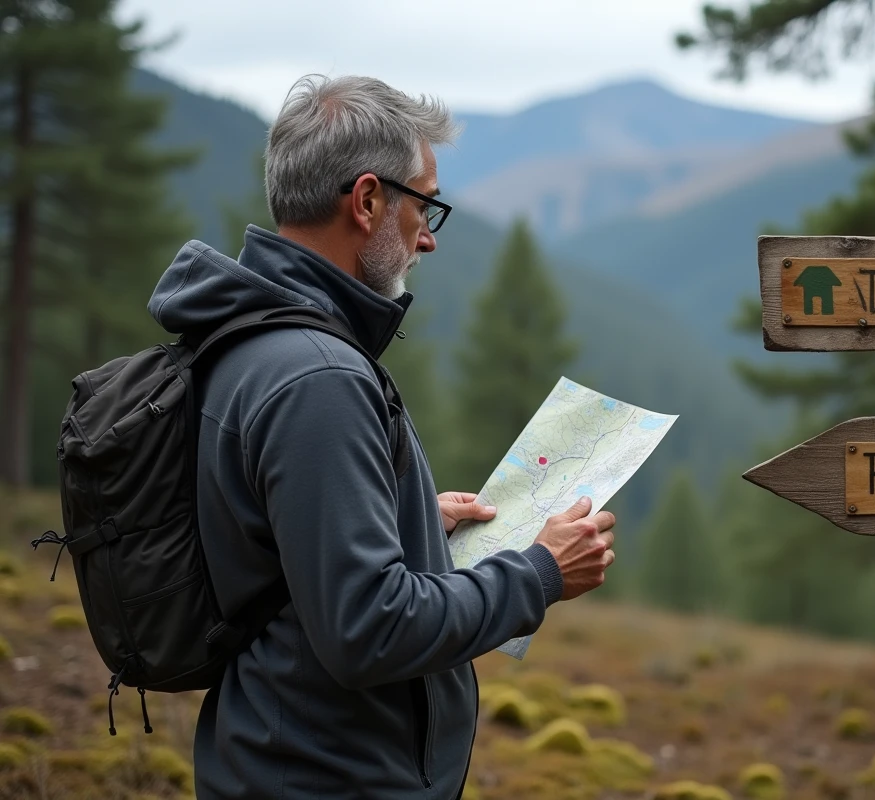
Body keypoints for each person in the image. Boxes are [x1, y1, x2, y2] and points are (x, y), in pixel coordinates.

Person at [147, 74, 617, 800]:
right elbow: (368, 628)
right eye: (424, 204)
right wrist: (541, 573)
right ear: (367, 201)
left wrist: (404, 520)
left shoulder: (250, 336)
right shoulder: (317, 376)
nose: (428, 235)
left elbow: (271, 544)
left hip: (285, 757)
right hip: (327, 776)